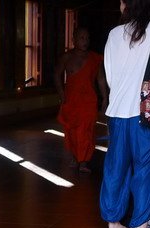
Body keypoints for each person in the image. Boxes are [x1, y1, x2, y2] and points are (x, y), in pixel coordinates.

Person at [100, 0, 150, 228]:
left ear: (124, 6)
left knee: (116, 167)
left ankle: (113, 224)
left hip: (117, 113)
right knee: (146, 169)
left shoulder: (113, 34)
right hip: (147, 114)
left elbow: (110, 75)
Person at [54, 27, 108, 173]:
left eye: (87, 38)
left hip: (89, 101)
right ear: (73, 40)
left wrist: (105, 98)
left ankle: (83, 162)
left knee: (87, 131)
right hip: (71, 100)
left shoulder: (95, 58)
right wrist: (61, 94)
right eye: (82, 38)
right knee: (71, 130)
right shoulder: (66, 57)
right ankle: (74, 157)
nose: (85, 41)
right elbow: (56, 75)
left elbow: (101, 79)